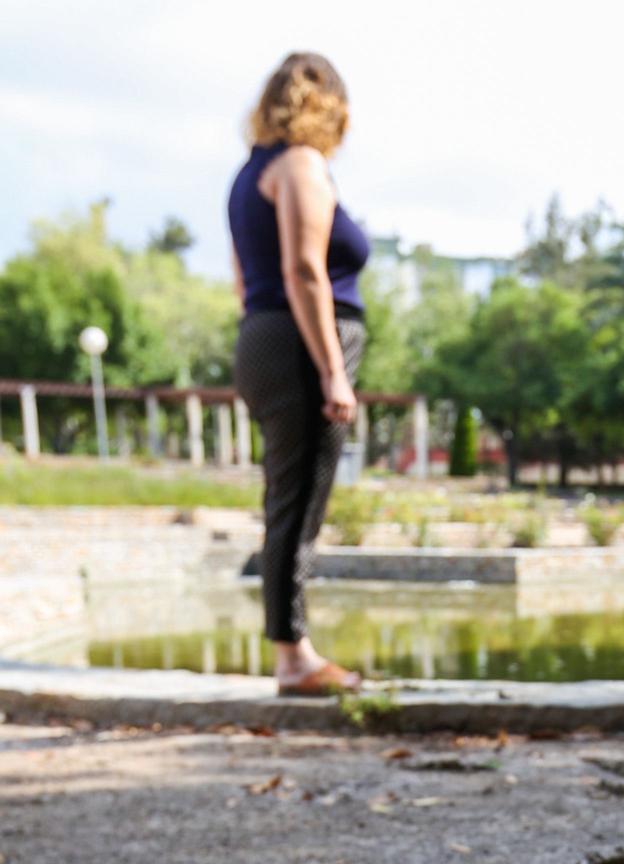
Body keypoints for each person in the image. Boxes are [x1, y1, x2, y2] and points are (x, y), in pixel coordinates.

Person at [229, 53, 369, 696]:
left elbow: (242, 280)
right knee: (301, 503)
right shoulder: (301, 165)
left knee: (283, 500)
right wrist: (332, 371)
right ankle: (294, 658)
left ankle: (291, 648)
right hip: (301, 343)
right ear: (327, 106)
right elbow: (306, 271)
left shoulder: (245, 175)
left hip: (262, 337)